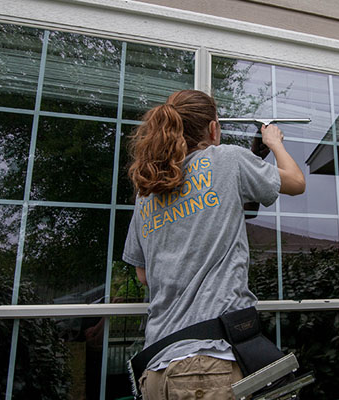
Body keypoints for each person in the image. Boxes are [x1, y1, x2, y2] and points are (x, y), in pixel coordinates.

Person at [122, 89, 305, 399]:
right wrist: (273, 142)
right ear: (213, 128)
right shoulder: (226, 159)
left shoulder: (148, 192)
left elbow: (142, 274)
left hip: (155, 369)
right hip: (206, 367)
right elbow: (296, 182)